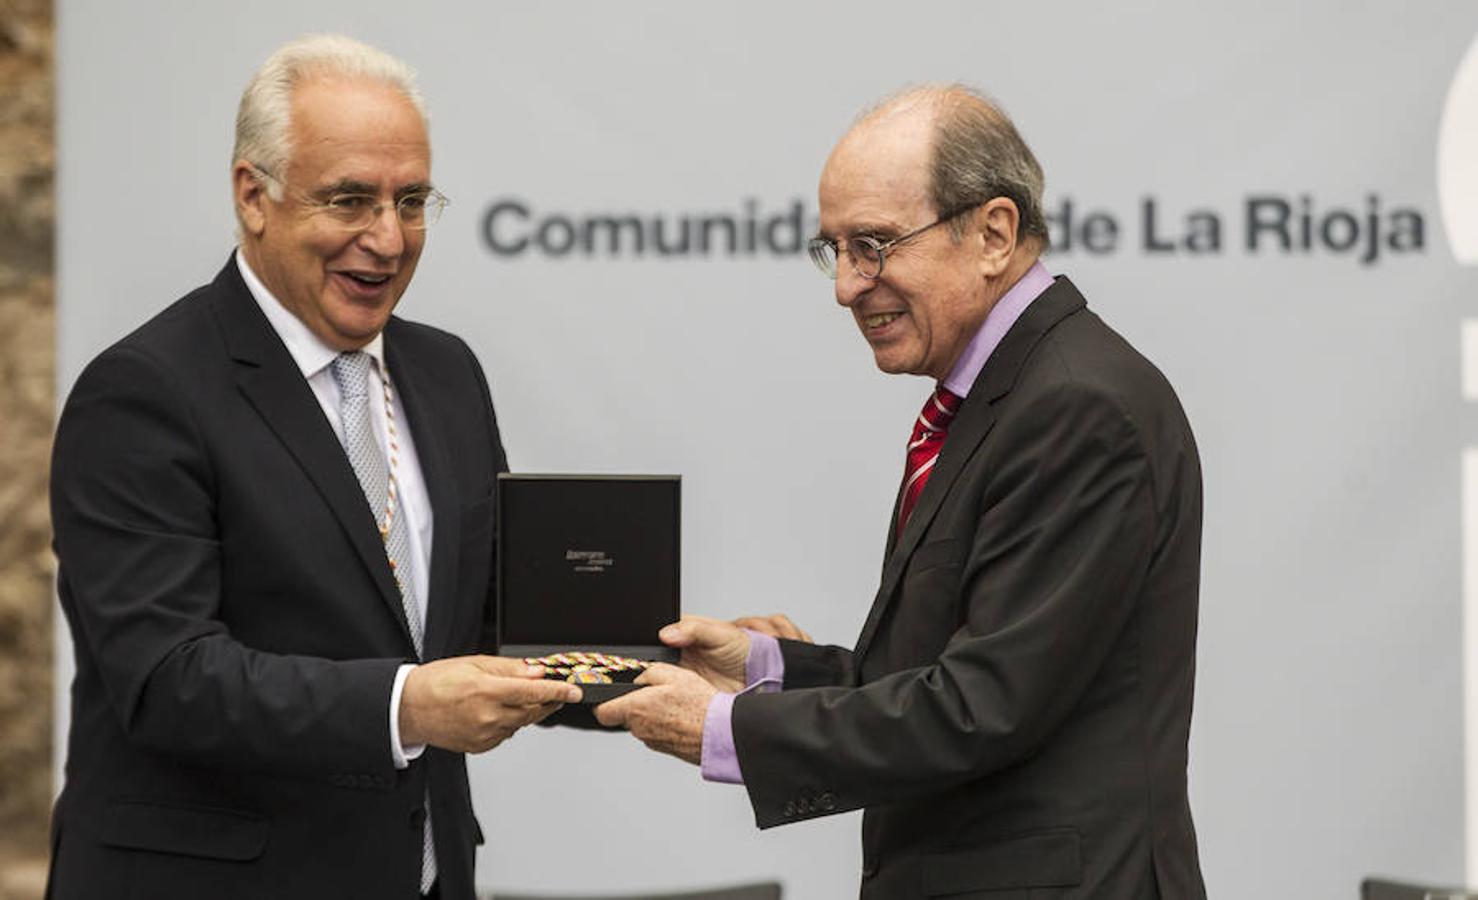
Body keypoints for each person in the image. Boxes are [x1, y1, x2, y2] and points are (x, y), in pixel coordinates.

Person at [597, 85, 1208, 899]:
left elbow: (978, 709)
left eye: (875, 245)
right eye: (835, 250)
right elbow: (939, 673)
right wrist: (766, 670)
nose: (847, 287)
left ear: (993, 233)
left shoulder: (1075, 406)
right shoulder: (1007, 393)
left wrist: (722, 729)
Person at [46, 34, 579, 900]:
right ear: (253, 196)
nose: (387, 238)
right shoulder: (144, 392)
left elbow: (487, 626)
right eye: (349, 200)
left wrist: (652, 657)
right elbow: (170, 677)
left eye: (411, 202)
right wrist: (406, 706)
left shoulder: (446, 373)